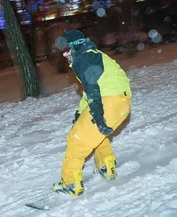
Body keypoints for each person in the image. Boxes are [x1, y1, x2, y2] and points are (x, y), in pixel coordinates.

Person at [52, 29, 132, 197]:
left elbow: (93, 90)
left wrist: (98, 115)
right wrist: (80, 113)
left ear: (75, 46)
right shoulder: (92, 55)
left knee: (77, 139)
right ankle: (106, 166)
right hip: (120, 103)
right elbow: (90, 90)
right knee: (94, 135)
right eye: (62, 51)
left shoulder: (83, 58)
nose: (64, 54)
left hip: (108, 101)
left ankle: (70, 184)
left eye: (66, 49)